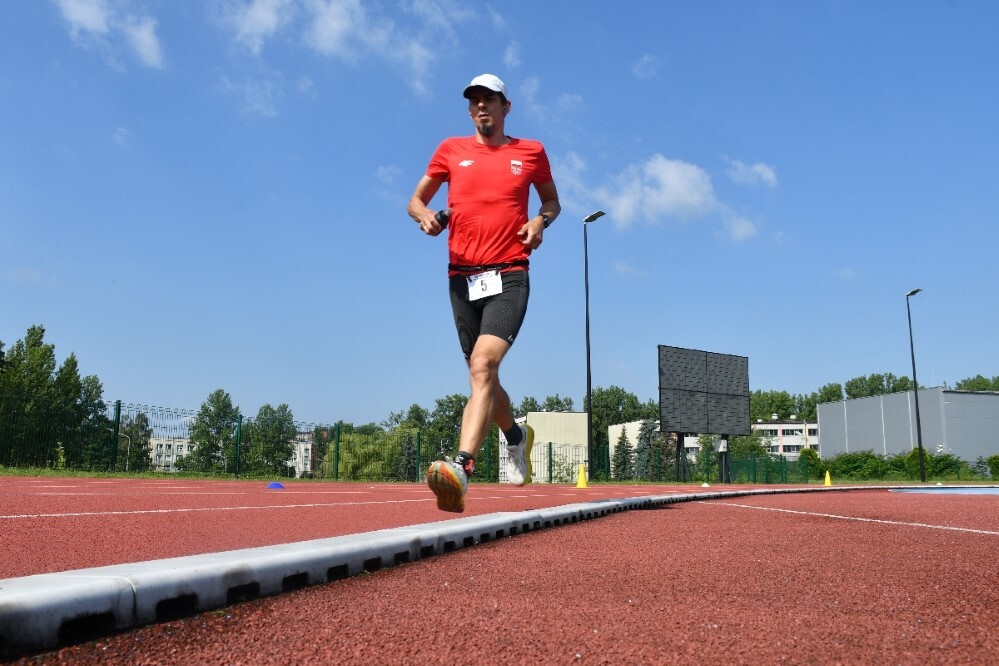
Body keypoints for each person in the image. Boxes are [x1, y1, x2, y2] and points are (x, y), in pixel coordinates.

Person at [407, 73, 561, 512]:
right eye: (474, 101)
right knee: (483, 377)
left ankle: (461, 468)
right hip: (462, 278)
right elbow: (415, 200)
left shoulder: (529, 152)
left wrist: (540, 222)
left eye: (489, 100)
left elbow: (552, 202)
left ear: (505, 106)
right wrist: (427, 217)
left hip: (510, 273)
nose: (481, 107)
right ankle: (515, 434)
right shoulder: (450, 150)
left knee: (482, 363)